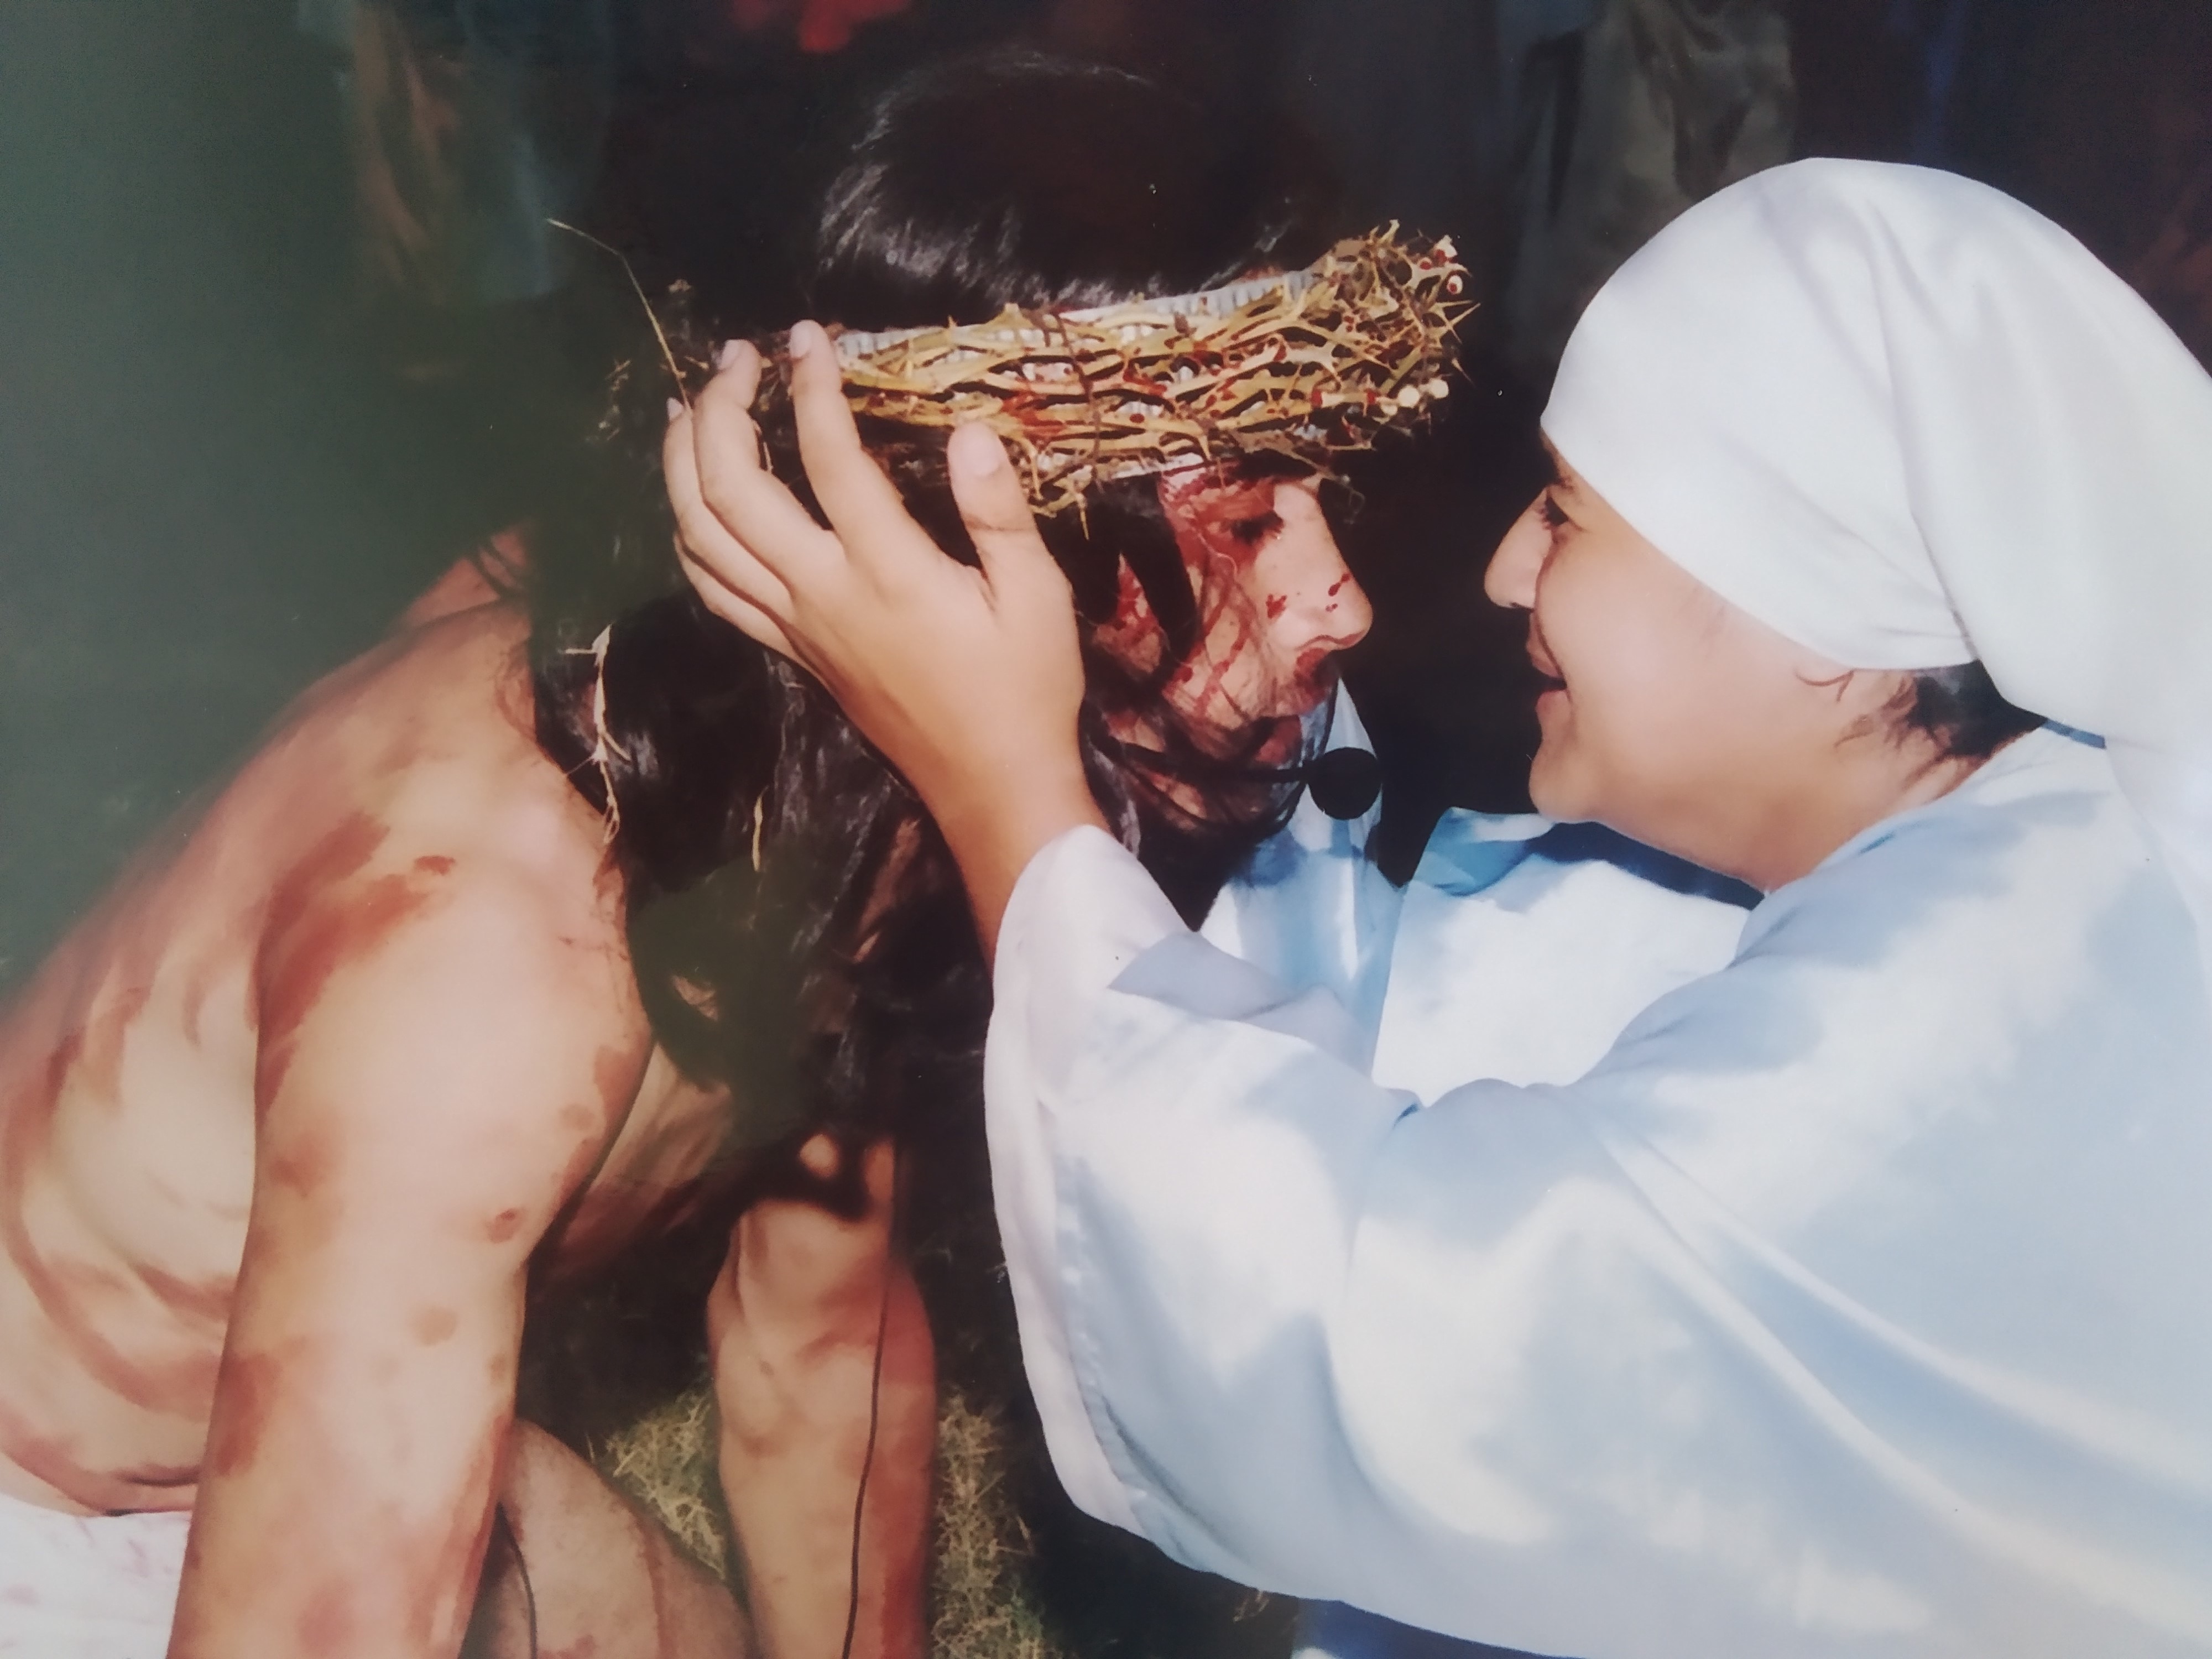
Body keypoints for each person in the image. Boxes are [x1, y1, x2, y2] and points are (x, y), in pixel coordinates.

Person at [668, 156, 2212, 1657]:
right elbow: (1436, 985)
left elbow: (1370, 1327)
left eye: (1567, 514)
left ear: (1807, 597)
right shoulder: (2059, 838)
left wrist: (1007, 788)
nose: (1500, 571)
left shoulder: (1947, 1020)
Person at [0, 50, 1404, 1659]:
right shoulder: (492, 953)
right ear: (965, 529)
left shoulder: (821, 771)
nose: (1345, 604)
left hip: (225, 1462)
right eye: (1247, 522)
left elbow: (817, 1351)